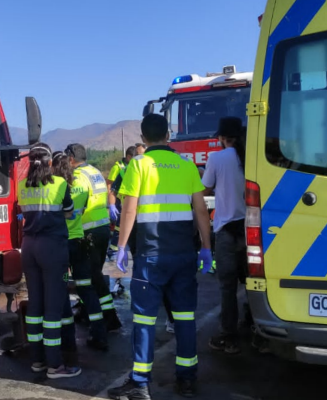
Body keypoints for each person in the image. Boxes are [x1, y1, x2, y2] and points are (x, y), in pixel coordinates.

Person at [108, 114, 212, 399]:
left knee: (144, 320)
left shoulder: (138, 165)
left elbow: (129, 210)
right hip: (183, 254)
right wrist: (206, 246)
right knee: (185, 317)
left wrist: (121, 247)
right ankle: (187, 379)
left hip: (151, 256)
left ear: (143, 139)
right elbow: (201, 211)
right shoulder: (186, 164)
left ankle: (140, 383)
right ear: (169, 135)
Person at [18, 143, 81, 379]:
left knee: (35, 305)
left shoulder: (21, 185)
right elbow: (68, 211)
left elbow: (26, 211)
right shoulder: (60, 184)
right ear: (48, 163)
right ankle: (56, 366)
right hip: (52, 247)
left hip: (29, 247)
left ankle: (37, 360)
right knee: (53, 307)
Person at [108, 151, 176, 335]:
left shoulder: (138, 169)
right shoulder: (128, 171)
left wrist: (122, 244)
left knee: (148, 273)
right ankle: (164, 316)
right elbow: (114, 193)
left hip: (142, 227)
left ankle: (151, 317)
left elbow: (129, 209)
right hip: (148, 228)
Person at [53, 152, 108, 351]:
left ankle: (65, 339)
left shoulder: (56, 187)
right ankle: (100, 334)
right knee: (87, 289)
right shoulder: (82, 186)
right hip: (79, 241)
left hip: (60, 244)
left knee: (59, 289)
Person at [65, 143, 123, 332]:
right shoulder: (94, 171)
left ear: (71, 158)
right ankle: (87, 310)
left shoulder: (79, 177)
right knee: (92, 274)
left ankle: (109, 316)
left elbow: (72, 208)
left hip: (87, 231)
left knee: (91, 276)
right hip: (102, 227)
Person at [202, 117, 247, 355]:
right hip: (251, 231)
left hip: (227, 231)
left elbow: (204, 188)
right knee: (252, 283)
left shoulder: (217, 158)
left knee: (227, 287)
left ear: (221, 138)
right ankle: (255, 330)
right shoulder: (251, 155)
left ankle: (229, 337)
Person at [107, 146, 138, 261]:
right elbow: (110, 185)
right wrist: (112, 204)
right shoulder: (119, 168)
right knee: (120, 227)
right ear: (129, 157)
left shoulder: (136, 168)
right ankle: (113, 250)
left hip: (133, 205)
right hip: (121, 202)